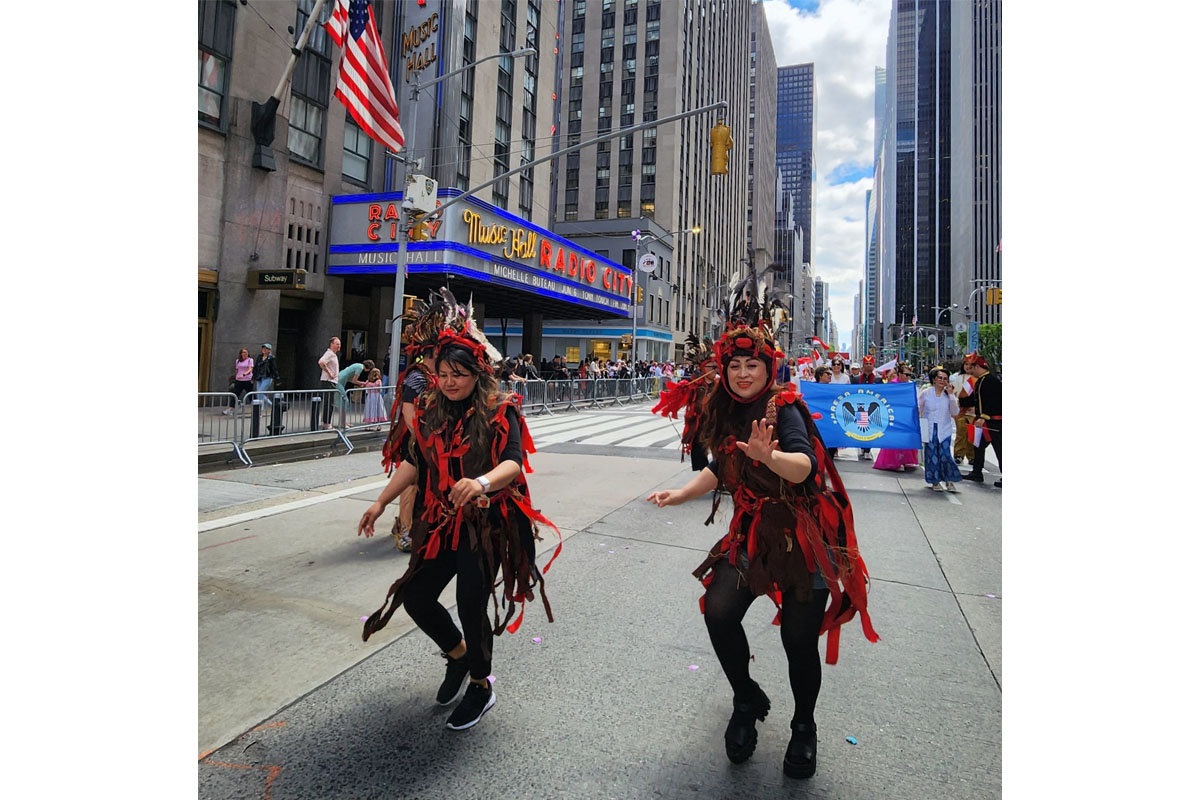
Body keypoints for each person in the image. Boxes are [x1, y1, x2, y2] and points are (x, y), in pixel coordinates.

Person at [647, 279, 877, 780]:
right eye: (735, 364)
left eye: (752, 364)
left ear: (768, 366)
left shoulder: (784, 407)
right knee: (718, 611)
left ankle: (803, 726)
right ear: (724, 369)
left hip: (800, 536)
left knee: (799, 641)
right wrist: (682, 493)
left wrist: (770, 455)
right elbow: (722, 470)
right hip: (751, 532)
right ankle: (746, 700)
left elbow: (805, 468)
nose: (744, 372)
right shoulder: (725, 409)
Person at [358, 289, 559, 732]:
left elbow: (512, 461)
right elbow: (414, 461)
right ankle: (458, 656)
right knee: (415, 596)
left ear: (477, 373)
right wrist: (380, 501)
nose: (449, 381)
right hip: (441, 523)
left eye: (459, 374)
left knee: (471, 602)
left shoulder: (501, 409)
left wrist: (481, 481)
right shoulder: (430, 409)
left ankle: (482, 685)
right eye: (443, 372)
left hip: (485, 524)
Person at [960, 352, 1001, 487]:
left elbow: (995, 401)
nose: (970, 371)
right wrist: (958, 399)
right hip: (983, 422)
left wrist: (984, 416)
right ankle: (977, 472)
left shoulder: (991, 381)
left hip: (994, 421)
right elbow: (974, 400)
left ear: (977, 367)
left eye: (972, 367)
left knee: (1000, 449)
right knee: (978, 446)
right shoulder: (980, 381)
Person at [918, 367, 962, 492]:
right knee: (931, 455)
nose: (942, 381)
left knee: (945, 455)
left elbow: (955, 412)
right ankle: (935, 481)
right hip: (930, 428)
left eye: (945, 379)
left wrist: (952, 395)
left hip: (944, 429)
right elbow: (918, 408)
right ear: (934, 379)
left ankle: (949, 480)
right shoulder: (926, 393)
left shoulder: (949, 395)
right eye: (940, 378)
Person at [872, 363, 921, 472]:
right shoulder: (893, 385)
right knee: (894, 439)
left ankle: (907, 461)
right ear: (899, 374)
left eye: (909, 375)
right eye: (906, 374)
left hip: (907, 416)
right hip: (894, 415)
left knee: (906, 438)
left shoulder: (910, 385)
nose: (908, 377)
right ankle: (892, 462)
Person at [947, 359, 976, 466]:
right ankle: (959, 455)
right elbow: (953, 393)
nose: (968, 367)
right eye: (966, 364)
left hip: (974, 411)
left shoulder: (978, 378)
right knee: (961, 432)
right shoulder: (956, 378)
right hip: (960, 410)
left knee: (972, 434)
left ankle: (972, 456)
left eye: (971, 364)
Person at [318, 337, 341, 429]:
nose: (339, 346)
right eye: (337, 344)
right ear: (331, 344)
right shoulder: (329, 354)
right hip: (328, 381)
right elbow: (321, 362)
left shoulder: (333, 354)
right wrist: (329, 372)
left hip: (331, 381)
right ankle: (326, 423)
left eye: (339, 344)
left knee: (329, 402)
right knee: (329, 402)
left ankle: (326, 422)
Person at [225, 348, 255, 414]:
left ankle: (256, 410)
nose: (245, 354)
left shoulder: (250, 360)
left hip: (247, 379)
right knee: (235, 394)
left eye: (246, 352)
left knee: (250, 395)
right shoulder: (238, 361)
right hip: (239, 380)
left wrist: (244, 374)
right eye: (243, 352)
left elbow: (250, 369)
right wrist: (236, 377)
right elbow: (237, 369)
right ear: (241, 354)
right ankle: (231, 408)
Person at [253, 343, 279, 407]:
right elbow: (256, 367)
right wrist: (253, 377)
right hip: (259, 377)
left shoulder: (271, 358)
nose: (264, 350)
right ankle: (271, 405)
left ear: (269, 350)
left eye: (266, 348)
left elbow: (274, 368)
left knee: (260, 392)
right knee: (259, 393)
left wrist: (277, 378)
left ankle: (260, 409)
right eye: (263, 348)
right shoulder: (259, 357)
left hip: (267, 377)